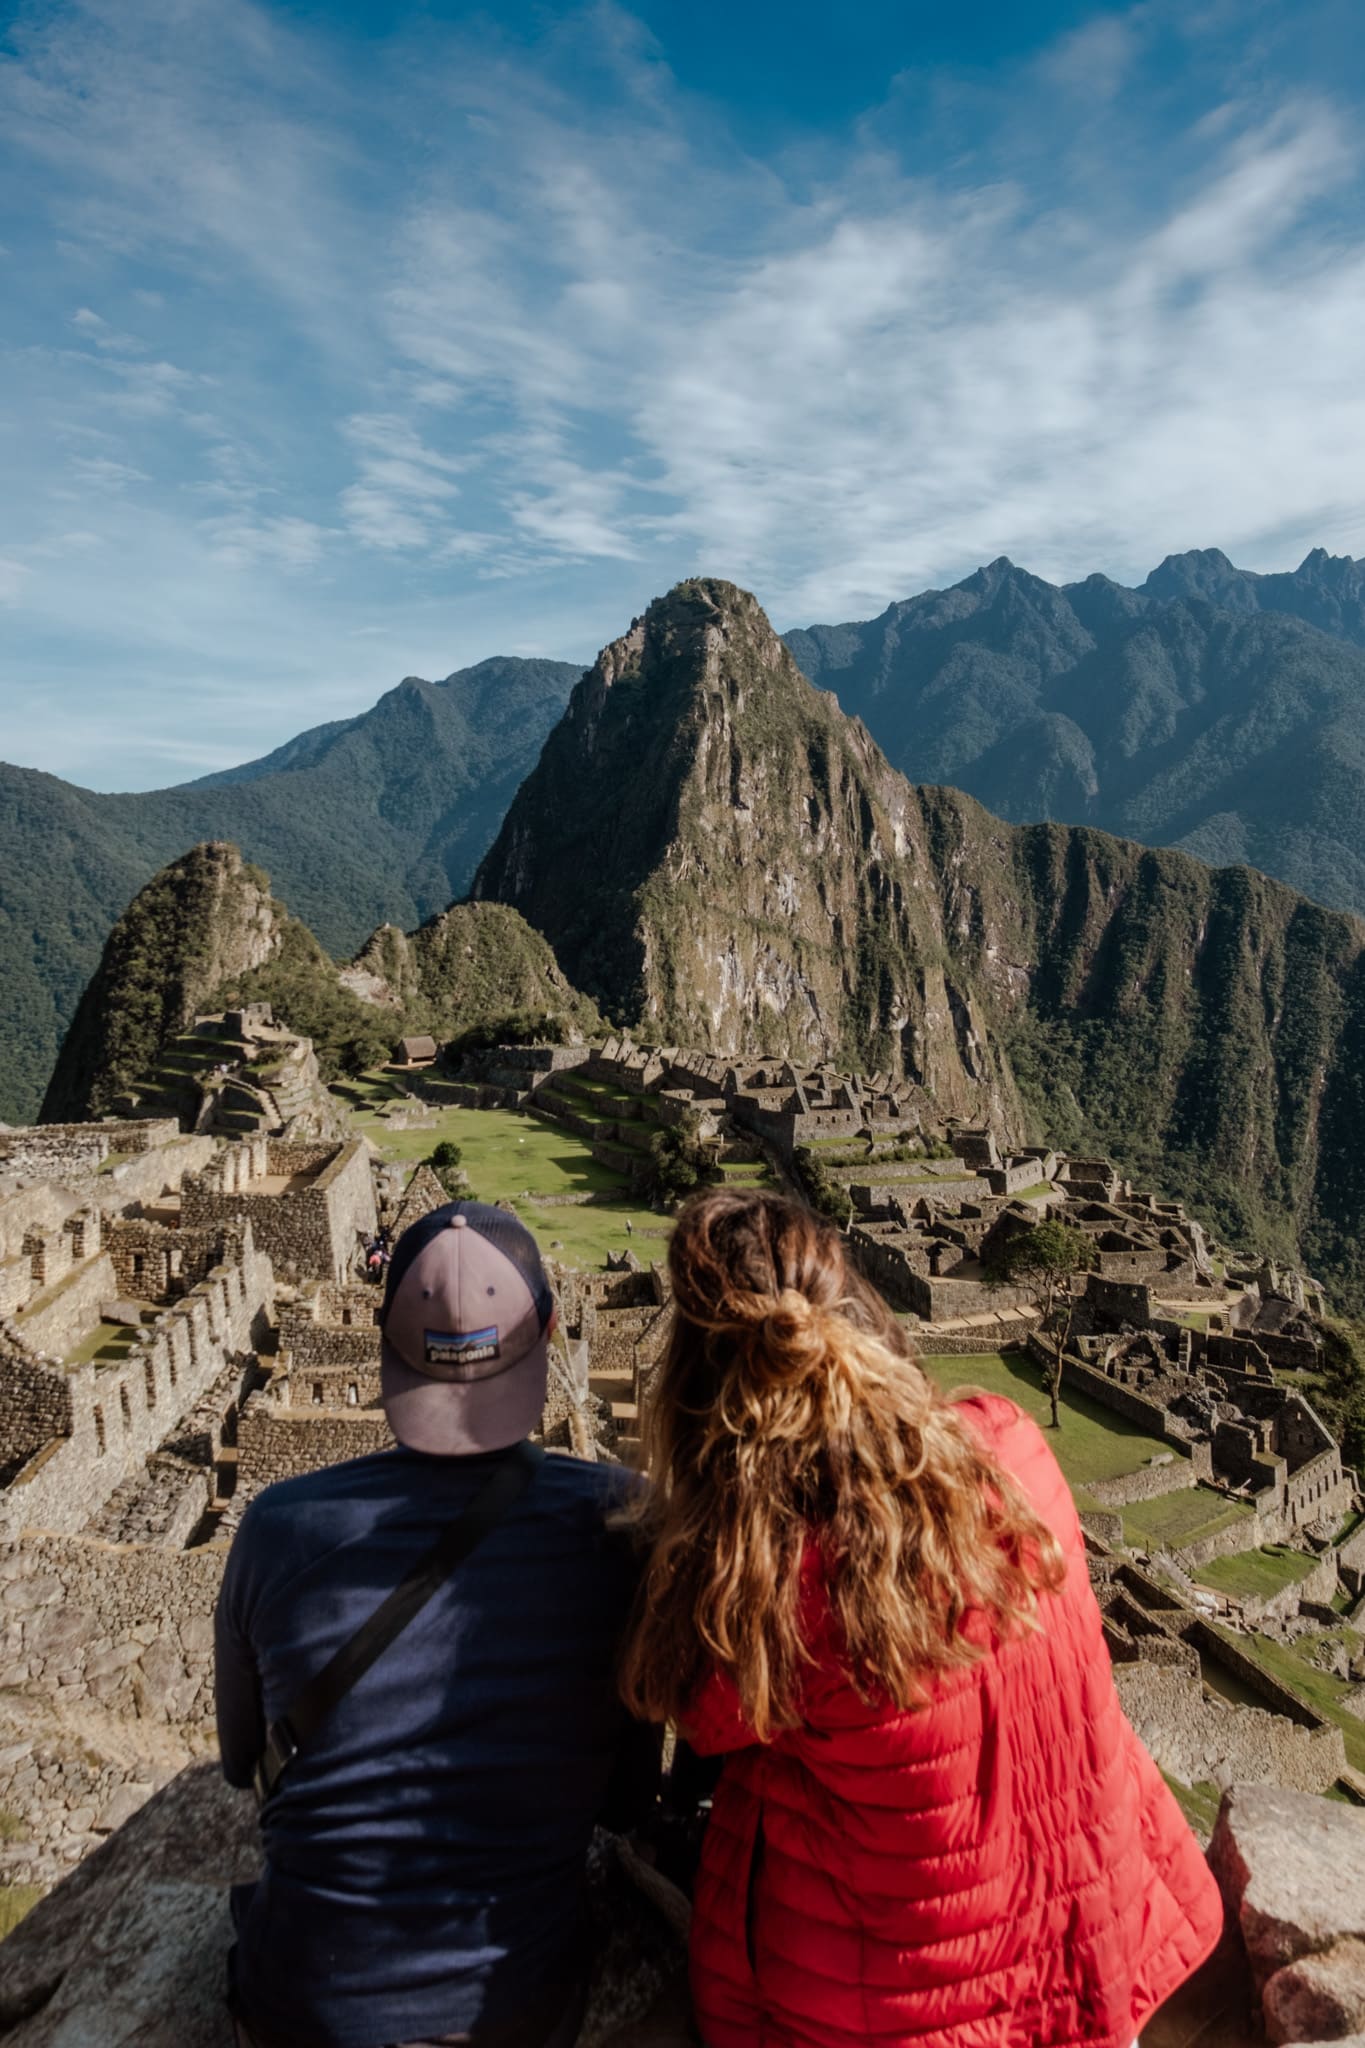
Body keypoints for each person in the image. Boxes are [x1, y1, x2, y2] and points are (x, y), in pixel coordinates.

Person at [619, 1186, 1224, 2048]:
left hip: (904, 2012)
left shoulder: (770, 1587)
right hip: (1100, 1956)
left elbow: (691, 1708)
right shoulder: (1008, 1441)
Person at [216, 1200, 651, 2048]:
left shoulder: (274, 1527)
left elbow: (241, 1765)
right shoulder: (624, 1525)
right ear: (551, 1330)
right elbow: (628, 1801)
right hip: (513, 2009)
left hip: (301, 2011)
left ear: (384, 1340)